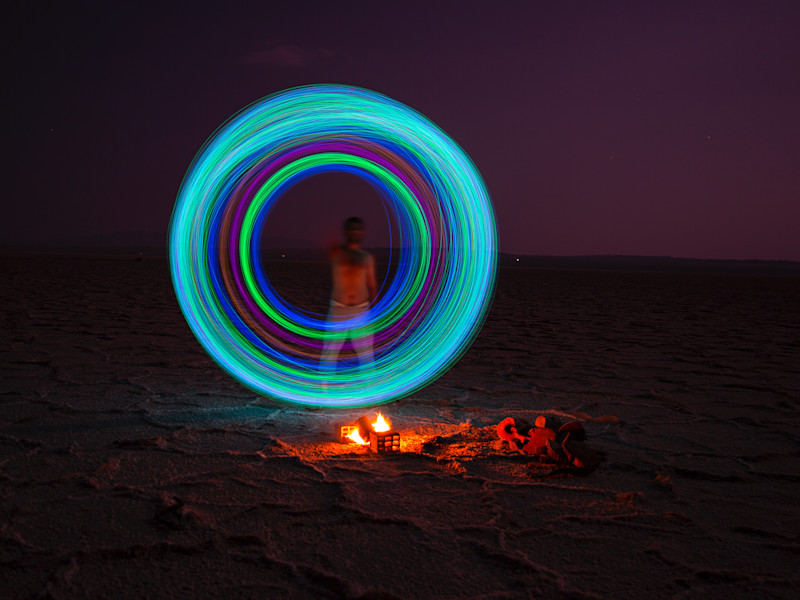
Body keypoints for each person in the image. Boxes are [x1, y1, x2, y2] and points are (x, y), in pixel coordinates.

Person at [320, 217, 377, 373]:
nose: (355, 231)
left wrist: (375, 311)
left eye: (358, 228)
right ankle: (323, 393)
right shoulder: (337, 252)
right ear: (346, 232)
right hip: (338, 310)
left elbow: (372, 285)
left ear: (362, 232)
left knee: (366, 356)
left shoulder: (366, 257)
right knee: (329, 354)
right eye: (352, 228)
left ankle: (370, 394)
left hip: (361, 310)